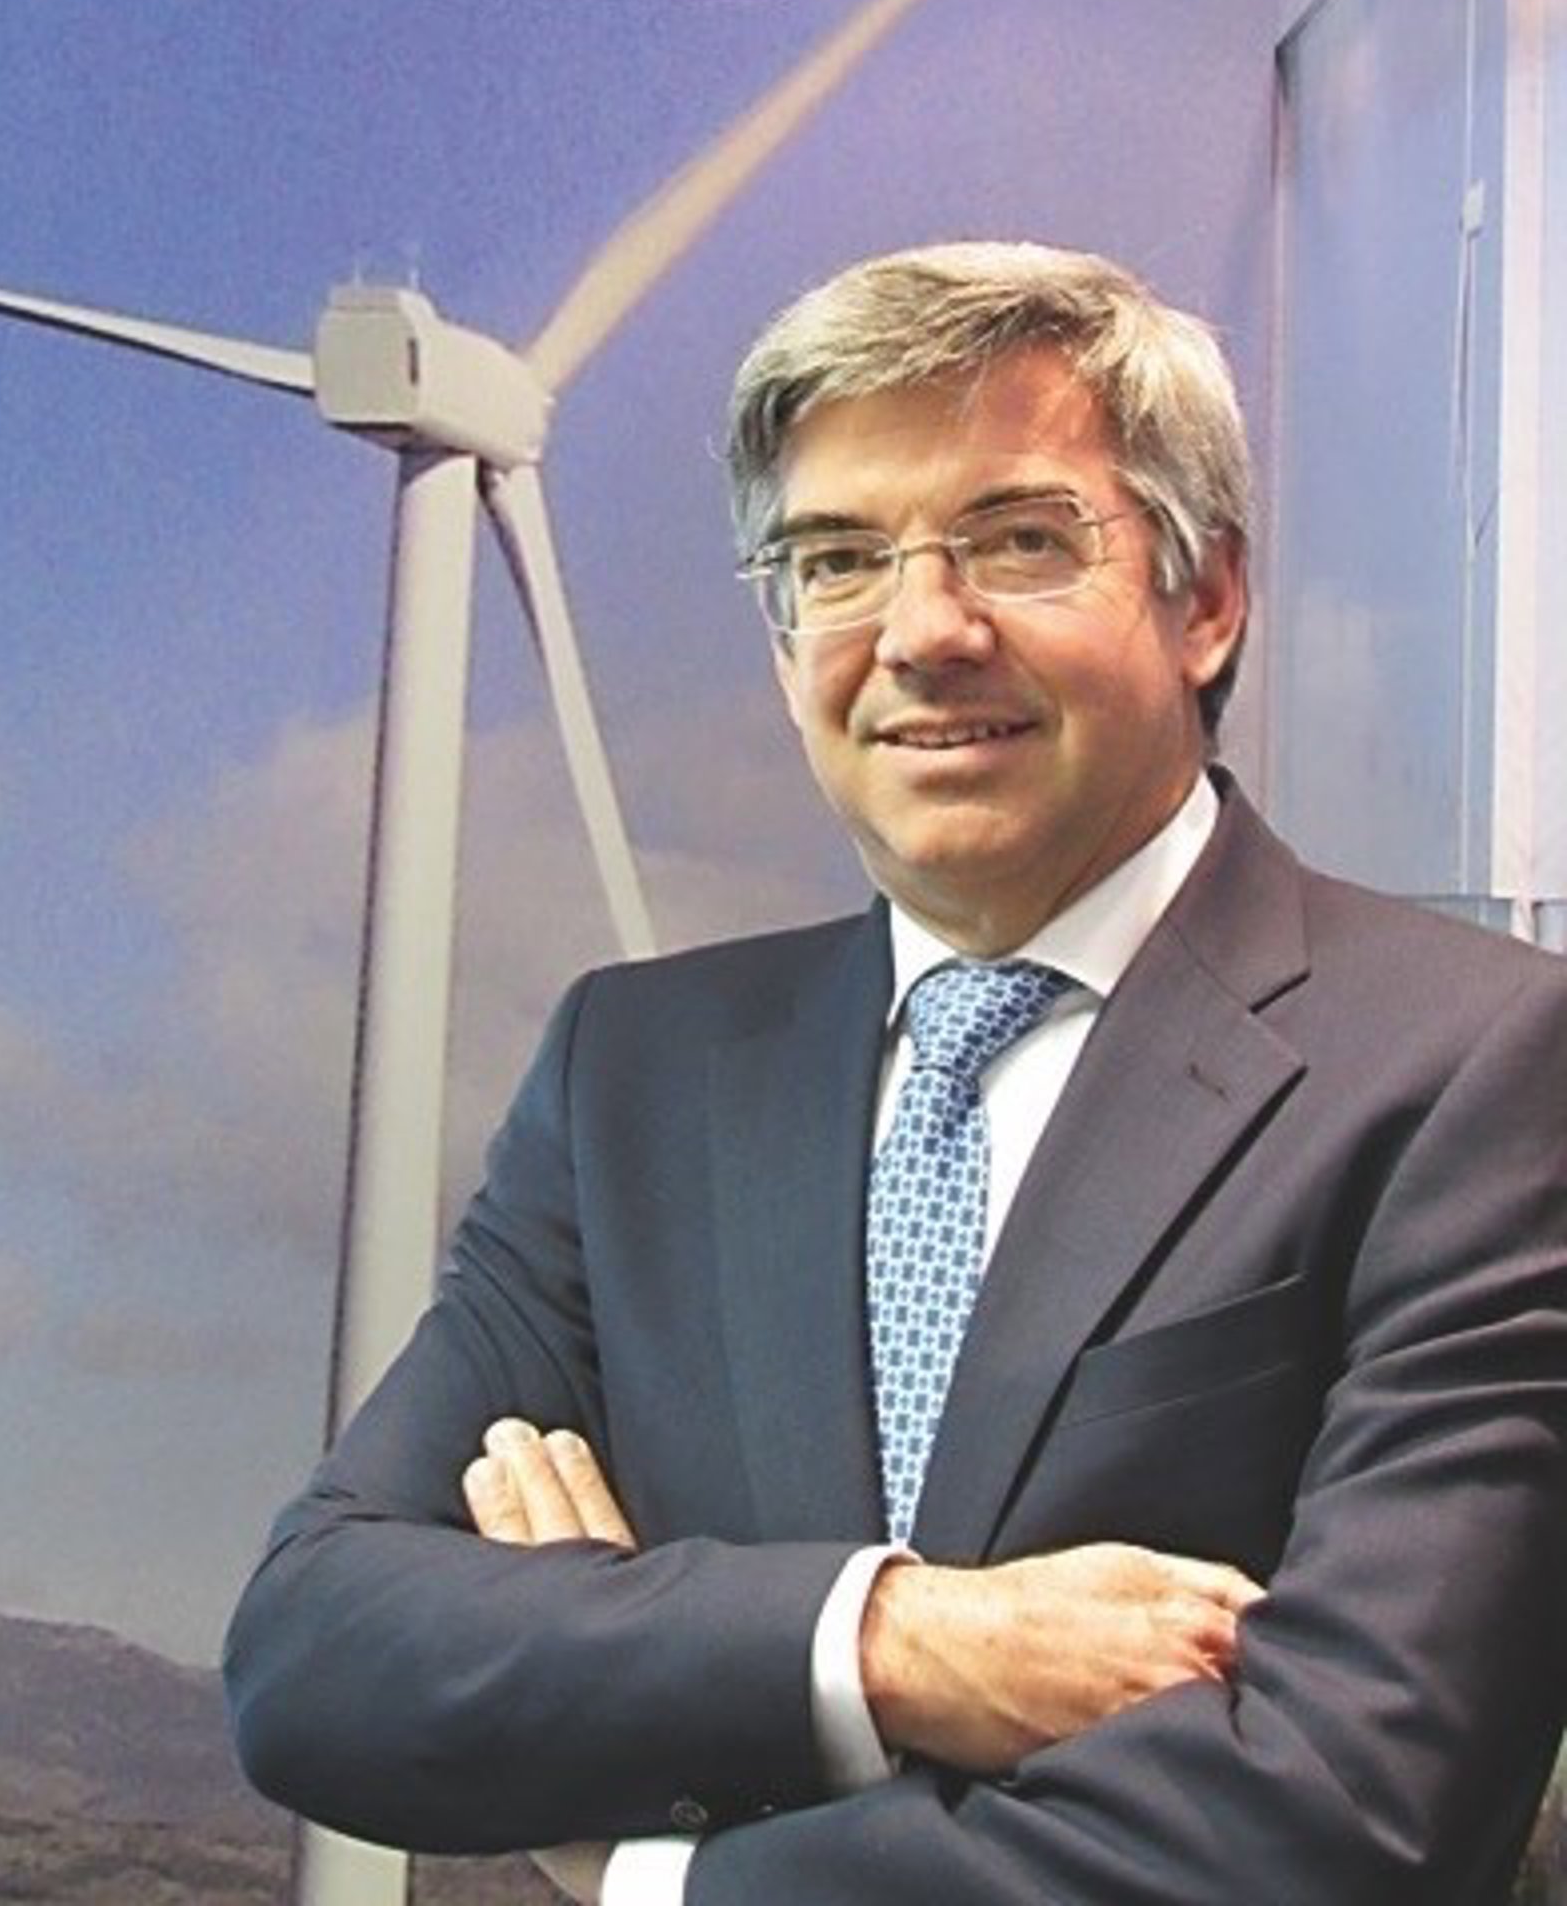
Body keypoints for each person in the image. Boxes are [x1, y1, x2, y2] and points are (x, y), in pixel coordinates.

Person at [224, 241, 1567, 1904]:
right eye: (838, 559)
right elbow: (316, 1653)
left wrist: (663, 1871)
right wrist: (891, 1642)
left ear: (1206, 600)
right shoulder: (634, 1078)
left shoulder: (1481, 1070)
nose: (924, 631)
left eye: (1021, 539)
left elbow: (1347, 1816)